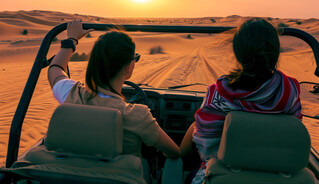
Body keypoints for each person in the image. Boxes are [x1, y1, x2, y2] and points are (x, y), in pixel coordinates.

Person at [48, 19, 180, 182]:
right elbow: (174, 152)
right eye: (134, 58)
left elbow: (55, 70)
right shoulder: (138, 116)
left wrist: (71, 40)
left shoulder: (71, 93)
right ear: (129, 67)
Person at [180, 18, 302, 184]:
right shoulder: (290, 92)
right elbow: (292, 131)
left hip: (223, 176)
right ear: (275, 52)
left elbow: (205, 145)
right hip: (278, 176)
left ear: (237, 53)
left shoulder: (218, 93)